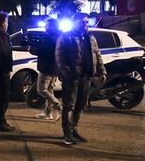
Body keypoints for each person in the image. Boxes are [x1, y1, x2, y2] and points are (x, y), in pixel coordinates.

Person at [55, 12, 106, 145]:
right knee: (69, 105)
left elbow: (97, 55)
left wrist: (102, 70)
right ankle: (67, 133)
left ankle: (74, 129)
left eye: (87, 22)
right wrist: (67, 73)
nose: (85, 24)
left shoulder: (91, 38)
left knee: (81, 105)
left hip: (86, 76)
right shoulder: (66, 37)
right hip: (72, 78)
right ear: (75, 22)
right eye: (83, 22)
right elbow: (60, 57)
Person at [29, 18, 62, 121]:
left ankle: (58, 106)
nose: (45, 27)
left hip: (47, 67)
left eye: (47, 25)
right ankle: (47, 113)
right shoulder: (59, 36)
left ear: (52, 26)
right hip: (54, 67)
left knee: (41, 90)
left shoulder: (52, 37)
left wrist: (32, 49)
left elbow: (45, 51)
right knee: (49, 90)